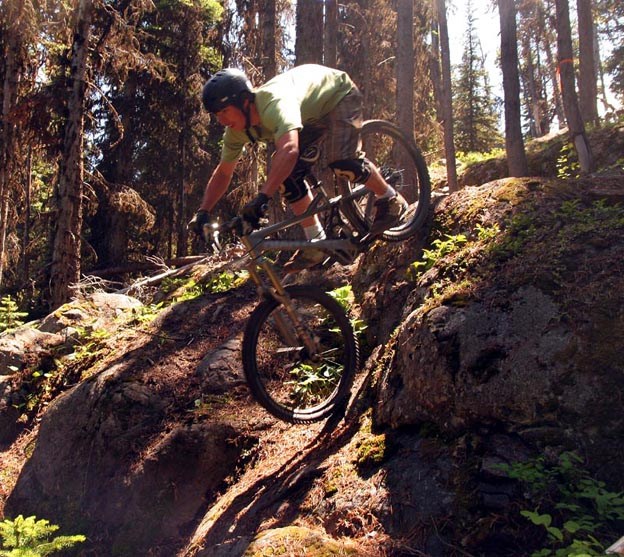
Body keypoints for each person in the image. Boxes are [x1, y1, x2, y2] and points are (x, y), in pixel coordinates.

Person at [189, 64, 407, 272]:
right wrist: (203, 211)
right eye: (217, 115)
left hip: (339, 95)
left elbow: (290, 149)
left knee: (342, 161)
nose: (221, 120)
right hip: (309, 115)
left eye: (224, 111)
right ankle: (317, 242)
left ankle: (389, 197)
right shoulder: (235, 131)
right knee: (287, 177)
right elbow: (224, 172)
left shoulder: (274, 103)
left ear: (245, 102)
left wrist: (262, 199)